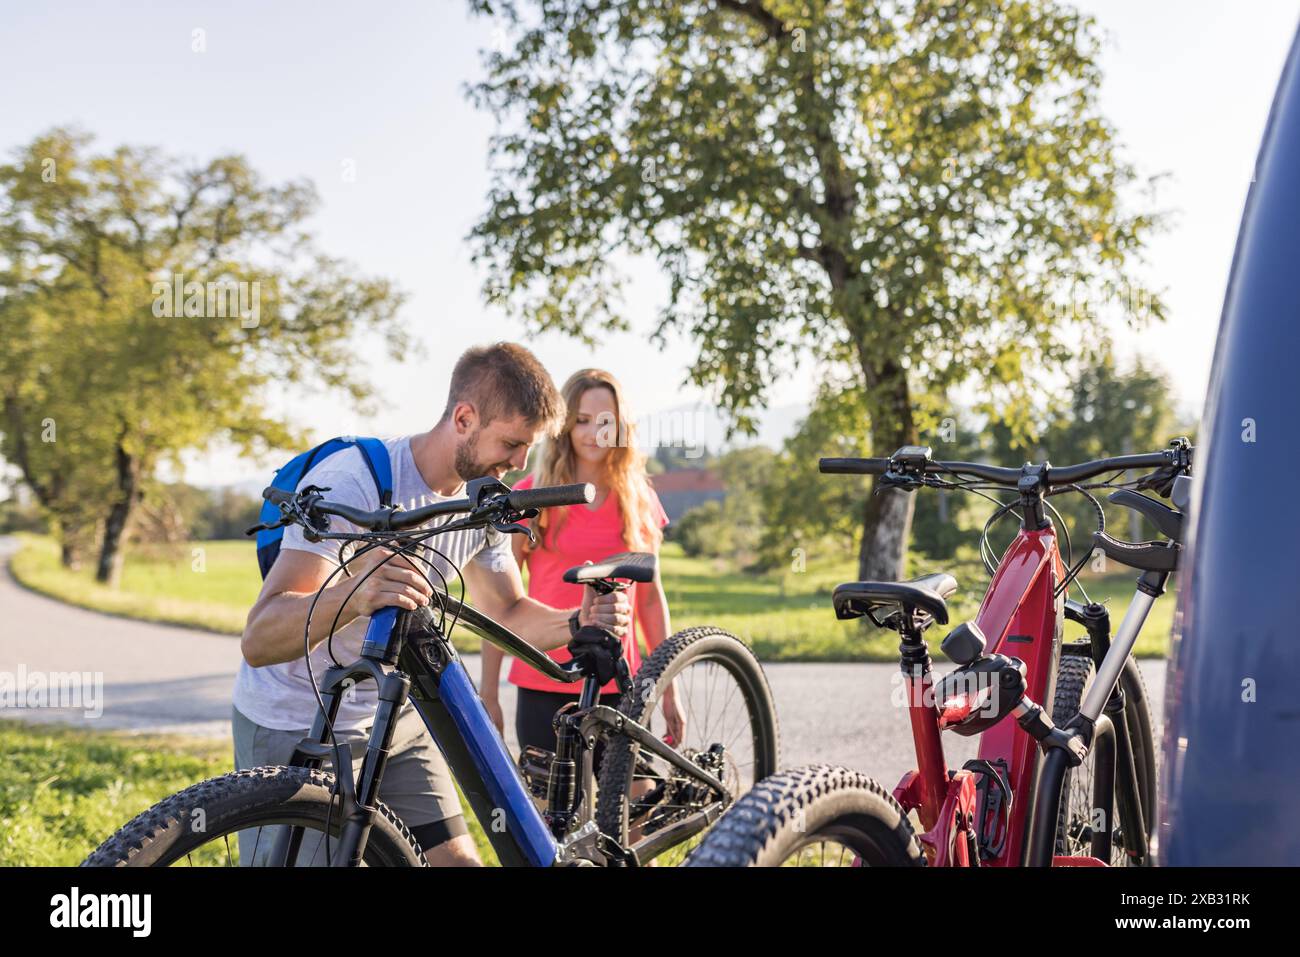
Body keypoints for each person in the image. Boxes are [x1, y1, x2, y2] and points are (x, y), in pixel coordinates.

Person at [233, 343, 631, 866]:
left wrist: (577, 621)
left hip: (392, 715)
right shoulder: (354, 479)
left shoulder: (485, 501)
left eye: (527, 449)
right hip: (297, 718)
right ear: (464, 418)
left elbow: (507, 613)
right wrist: (354, 595)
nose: (517, 465)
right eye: (511, 443)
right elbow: (262, 639)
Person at [481, 368, 681, 761]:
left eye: (604, 421)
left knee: (628, 817)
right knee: (550, 820)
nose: (592, 433)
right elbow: (500, 605)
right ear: (565, 426)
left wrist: (669, 689)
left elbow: (651, 601)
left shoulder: (639, 497)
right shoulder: (532, 497)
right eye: (582, 421)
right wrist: (488, 694)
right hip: (544, 679)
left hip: (621, 684)